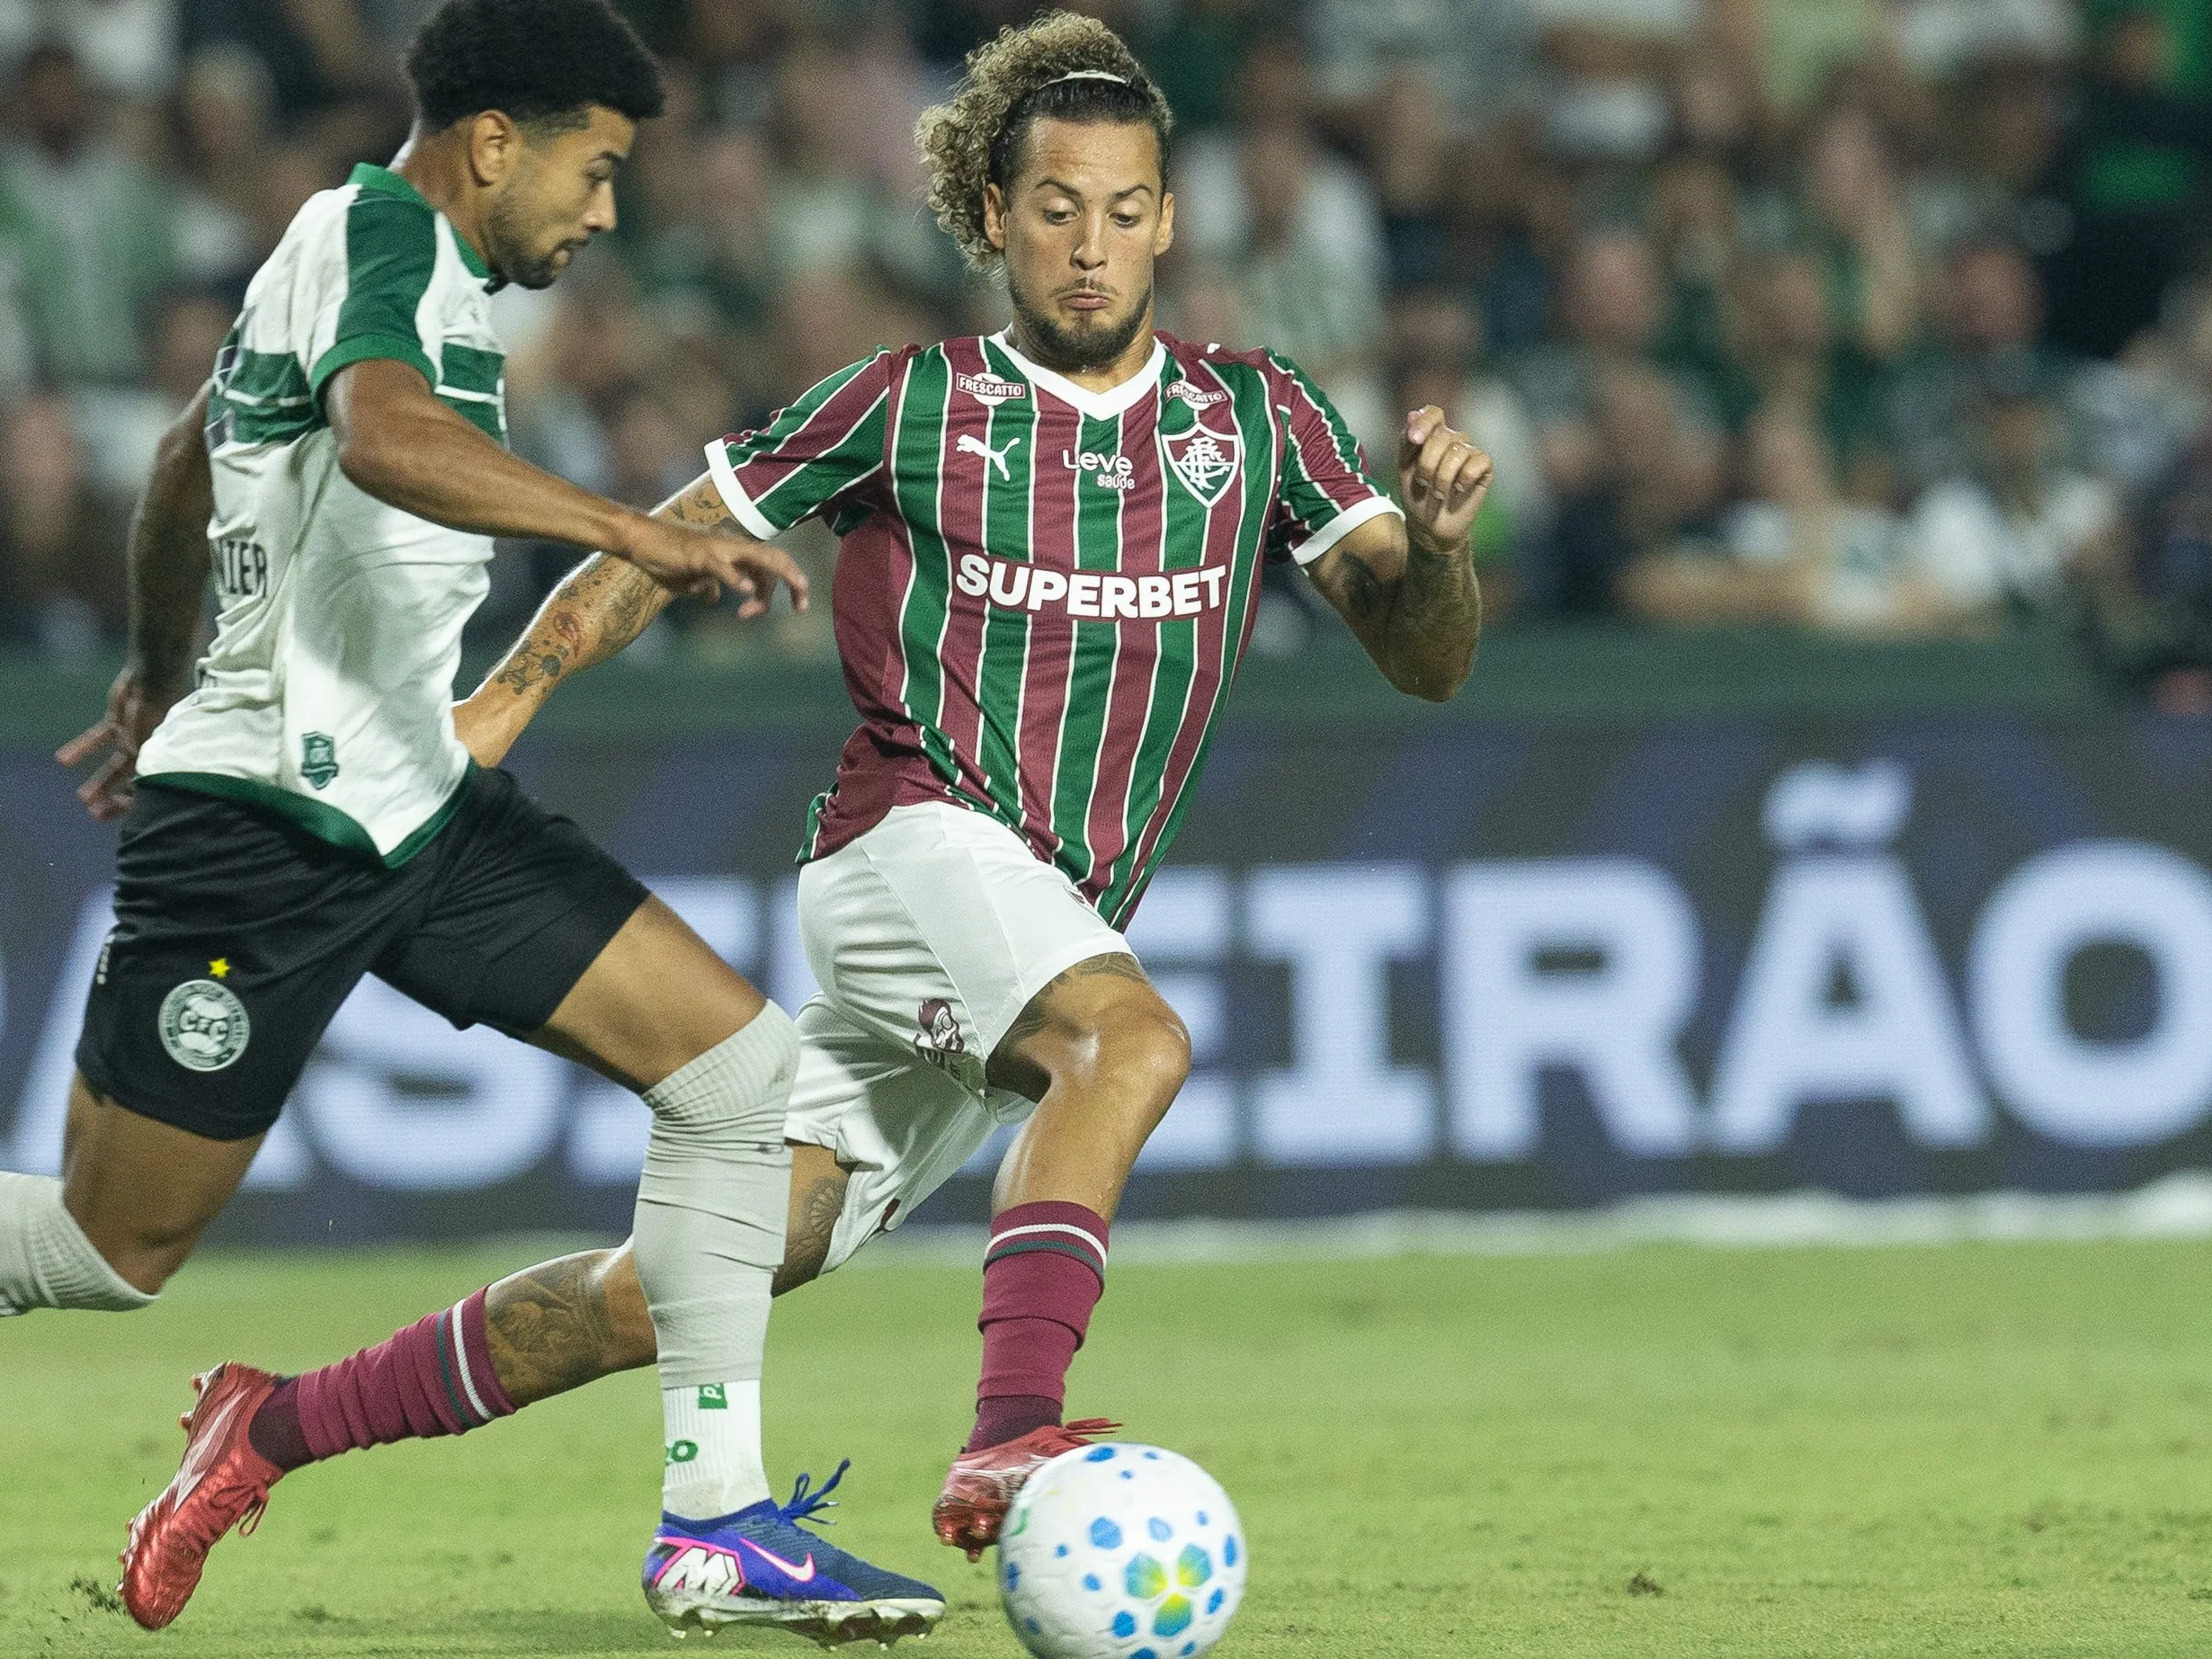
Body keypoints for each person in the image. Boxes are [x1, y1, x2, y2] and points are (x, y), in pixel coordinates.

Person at [0, 0, 943, 1645]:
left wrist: (153, 671)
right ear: (495, 145)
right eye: (595, 171)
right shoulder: (374, 237)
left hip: (414, 797)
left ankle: (715, 1524)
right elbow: (383, 441)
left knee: (738, 1076)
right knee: (108, 1247)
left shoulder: (381, 268)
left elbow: (188, 461)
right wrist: (635, 533)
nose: (606, 211)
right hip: (263, 826)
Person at [194, 9, 1490, 1573]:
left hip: (1030, 920)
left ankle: (269, 1424)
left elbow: (1424, 660)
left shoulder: (1258, 416)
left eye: (1125, 209)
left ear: (1168, 221)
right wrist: (502, 702)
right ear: (996, 216)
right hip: (908, 844)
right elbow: (665, 543)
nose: (1091, 246)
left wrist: (1442, 553)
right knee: (1131, 1040)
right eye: (1057, 208)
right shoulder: (907, 401)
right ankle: (1012, 1426)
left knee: (692, 1278)